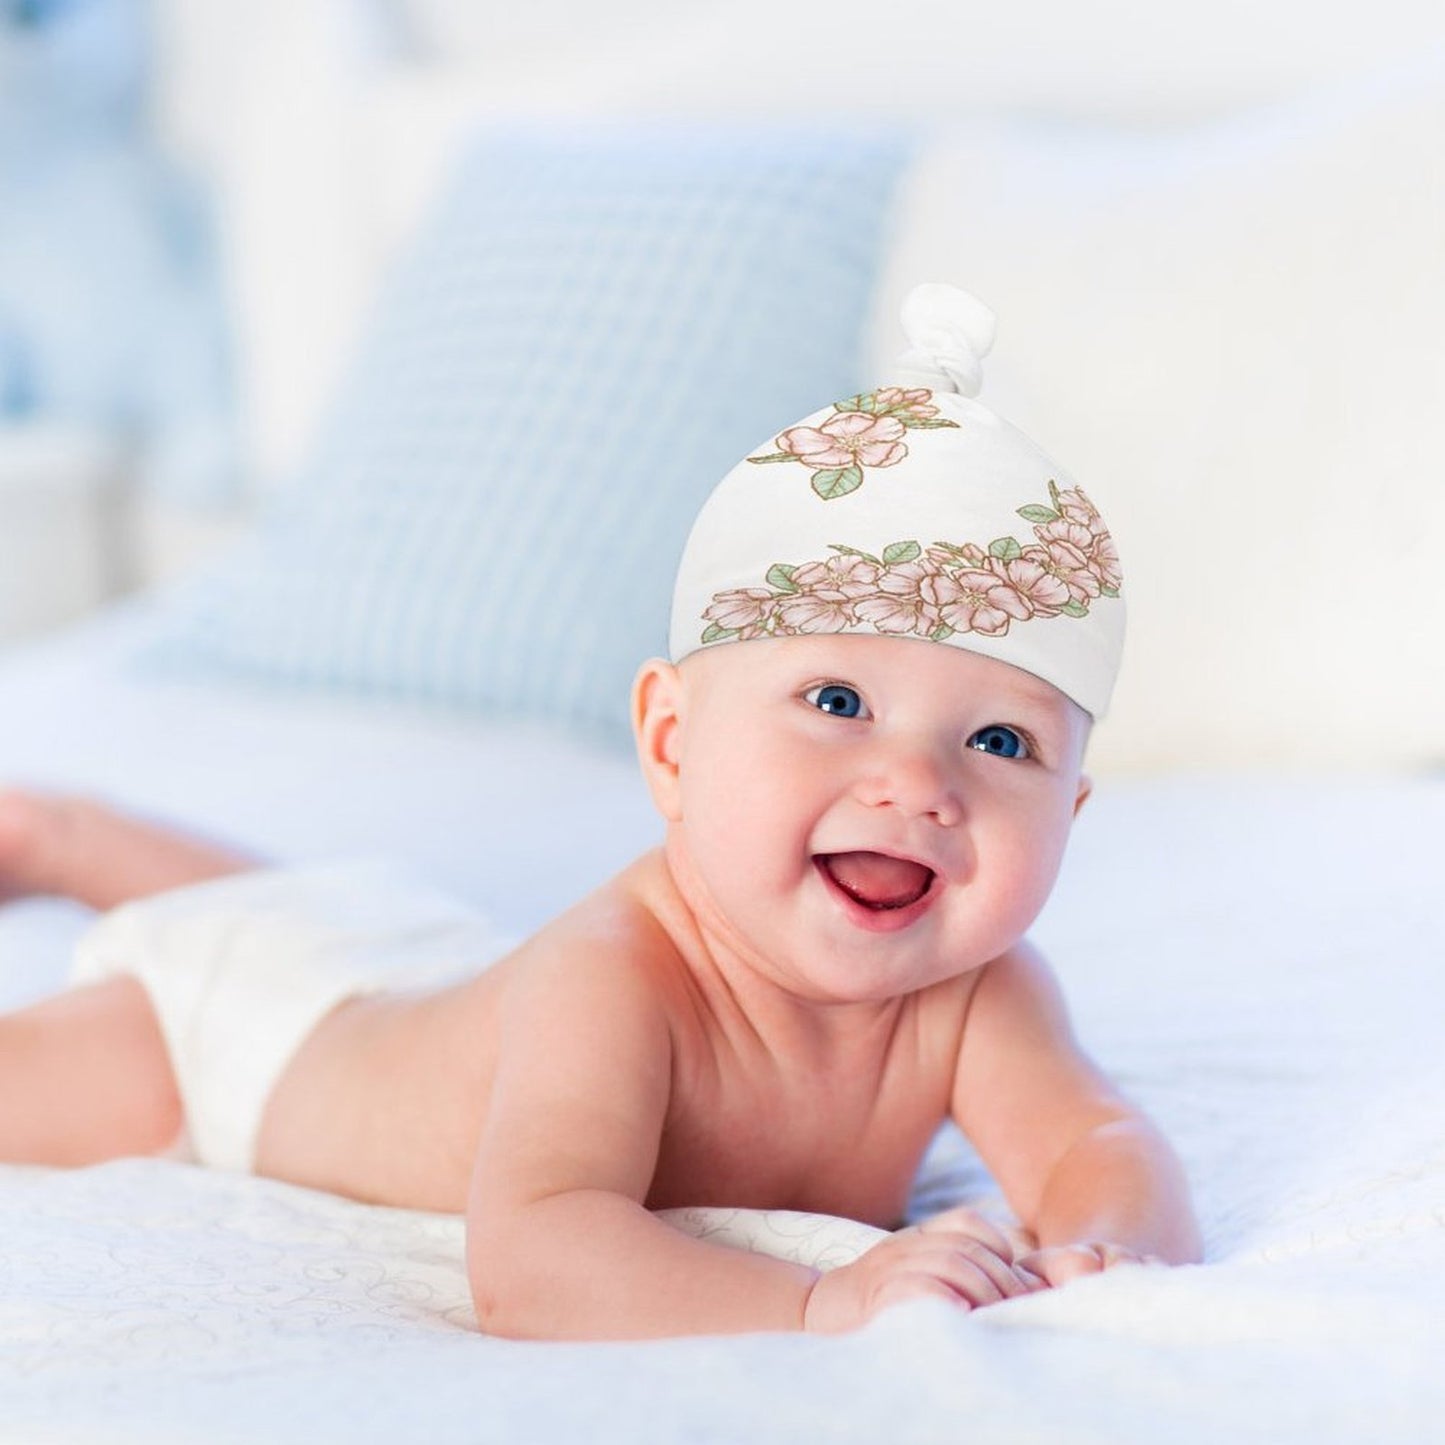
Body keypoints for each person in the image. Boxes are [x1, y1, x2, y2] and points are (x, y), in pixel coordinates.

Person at [0, 285, 1201, 1340]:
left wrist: (1101, 1249)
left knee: (318, 921)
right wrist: (814, 1300)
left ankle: (69, 833)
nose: (919, 784)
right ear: (673, 743)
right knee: (131, 1026)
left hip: (415, 964)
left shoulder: (983, 991)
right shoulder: (609, 977)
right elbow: (532, 1260)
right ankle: (55, 830)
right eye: (837, 699)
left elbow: (1092, 1144)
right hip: (241, 1049)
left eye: (1001, 740)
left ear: (1072, 809)